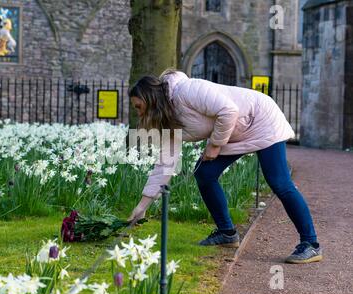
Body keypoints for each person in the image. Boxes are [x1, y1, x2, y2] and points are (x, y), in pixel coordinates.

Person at [127, 69, 322, 264]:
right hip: (234, 132)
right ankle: (227, 233)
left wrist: (214, 145)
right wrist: (142, 207)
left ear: (150, 99)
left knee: (279, 182)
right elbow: (165, 163)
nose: (139, 112)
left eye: (138, 106)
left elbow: (228, 110)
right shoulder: (168, 119)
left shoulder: (187, 91)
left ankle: (311, 244)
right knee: (205, 173)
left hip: (261, 119)